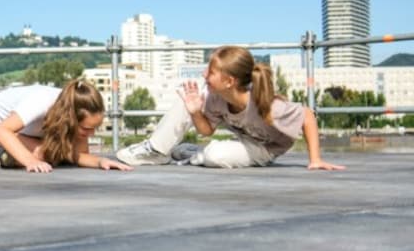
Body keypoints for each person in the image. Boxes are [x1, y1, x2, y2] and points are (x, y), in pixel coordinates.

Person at [116, 46, 346, 170]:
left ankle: (195, 154)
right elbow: (207, 131)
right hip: (243, 144)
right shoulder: (216, 98)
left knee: (215, 154)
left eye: (211, 72)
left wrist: (315, 159)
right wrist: (195, 111)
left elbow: (307, 115)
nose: (204, 75)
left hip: (265, 151)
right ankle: (156, 151)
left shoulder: (266, 103)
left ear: (229, 81)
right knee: (187, 100)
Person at [0, 79, 133, 174]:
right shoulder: (42, 102)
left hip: (18, 133)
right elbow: (1, 130)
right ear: (70, 118)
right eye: (86, 129)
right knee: (45, 154)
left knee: (55, 154)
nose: (91, 134)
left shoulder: (76, 111)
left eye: (95, 128)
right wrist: (30, 161)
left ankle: (4, 153)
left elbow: (76, 156)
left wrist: (101, 161)